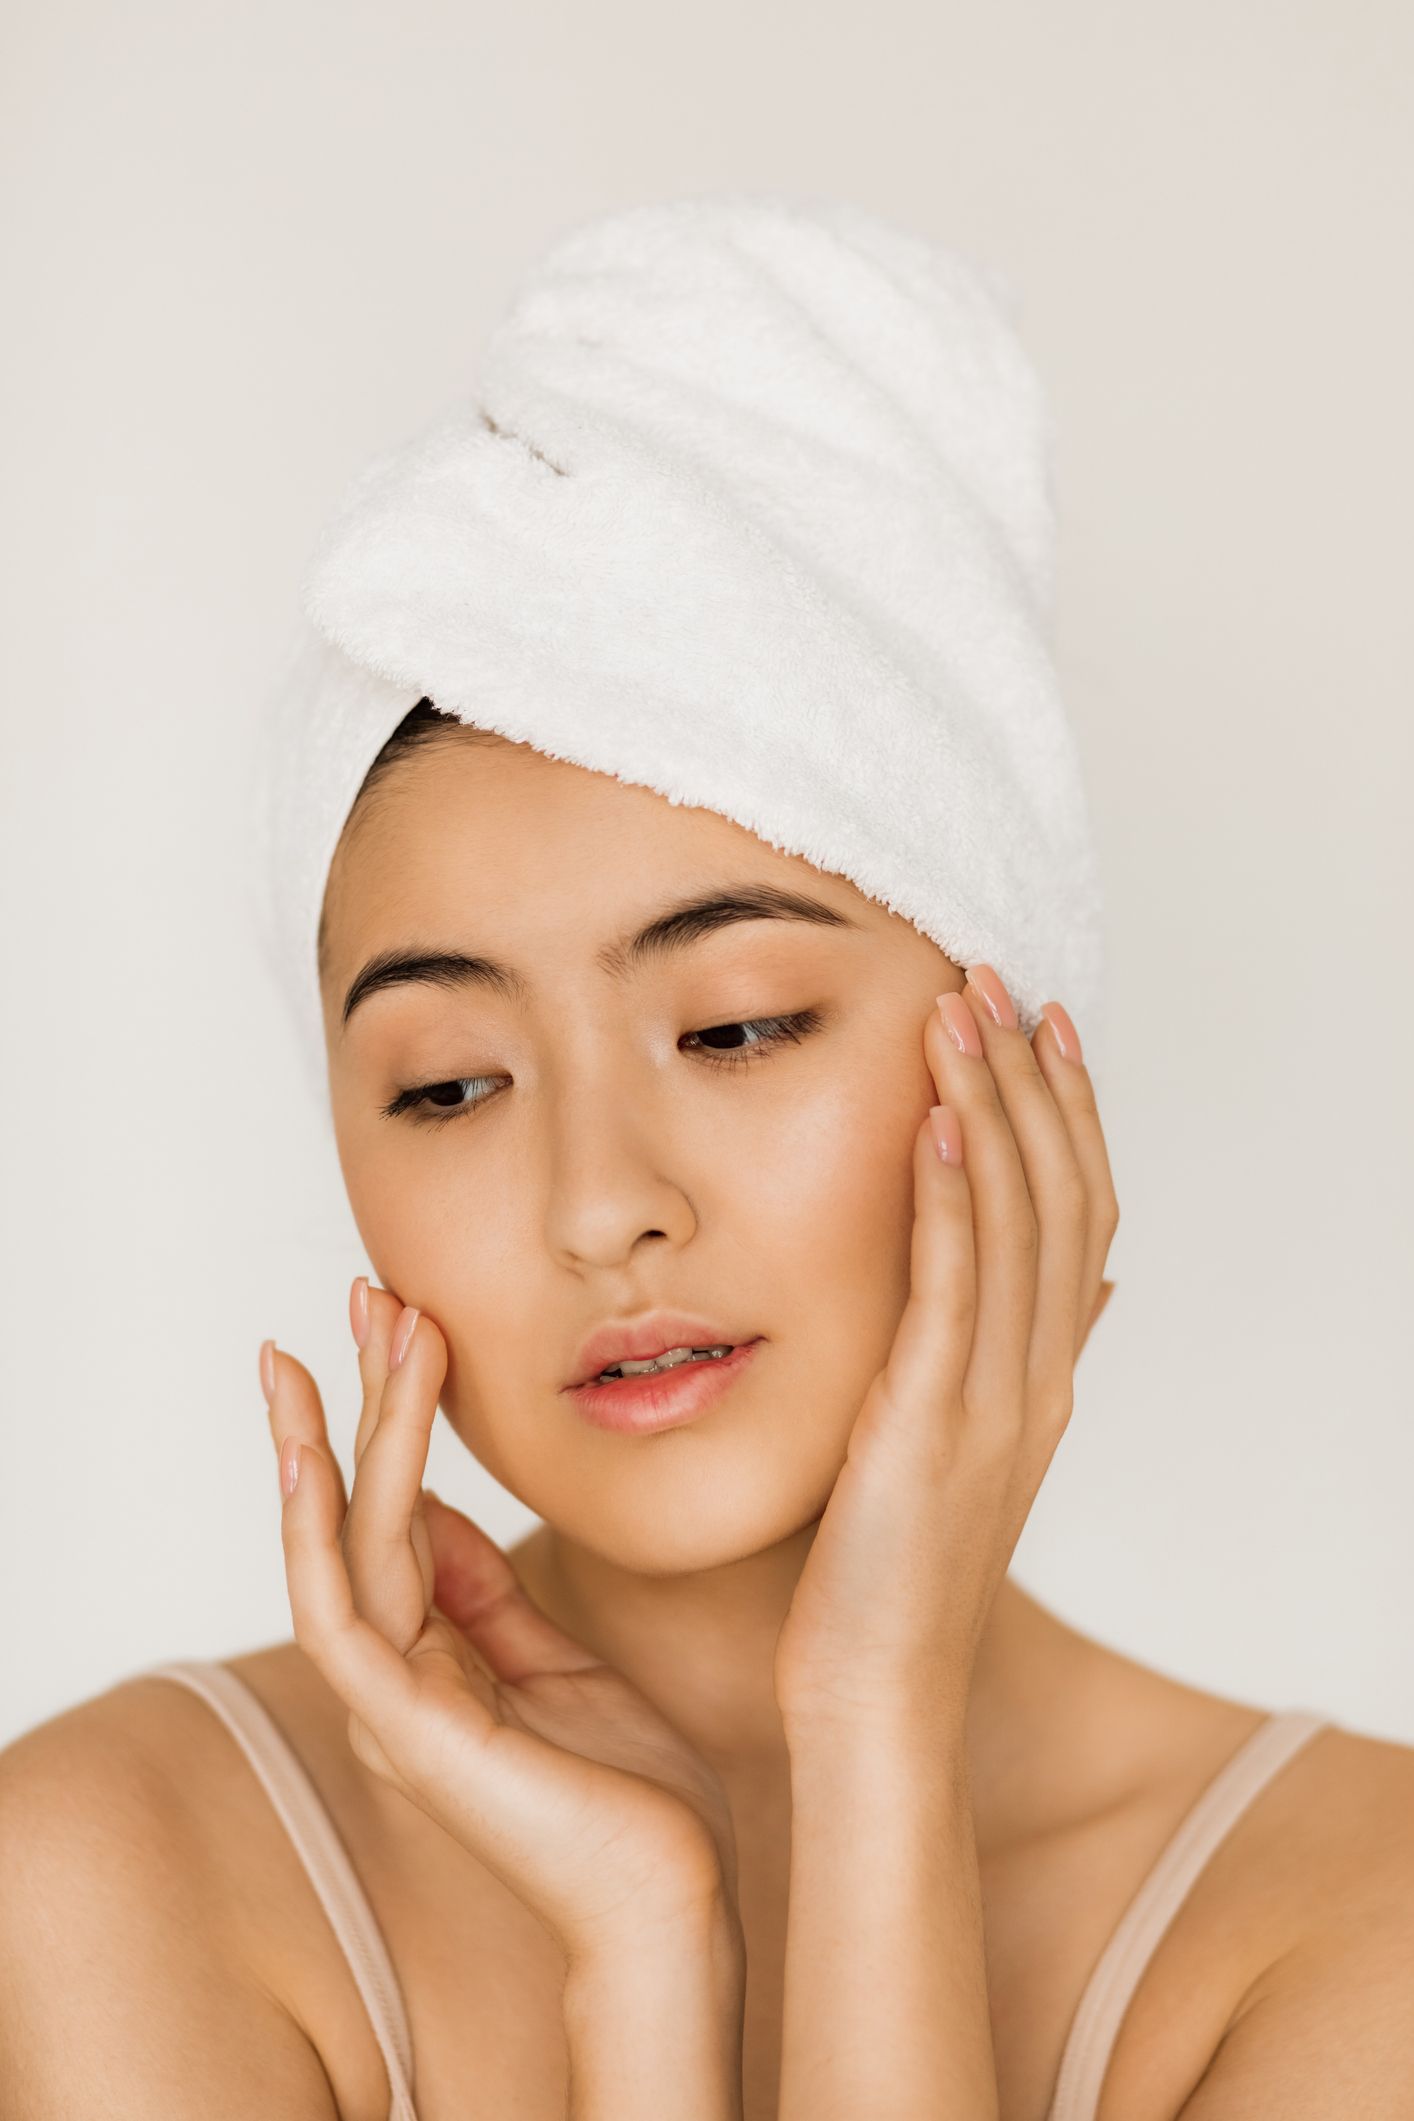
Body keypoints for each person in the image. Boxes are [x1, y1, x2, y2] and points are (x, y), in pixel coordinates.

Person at [5, 193, 1413, 2117]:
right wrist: (650, 1955)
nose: (601, 1203)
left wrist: (871, 1748)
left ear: (1010, 1043)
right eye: (446, 1083)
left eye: (736, 1026)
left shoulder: (1354, 1920)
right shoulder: (121, 1867)